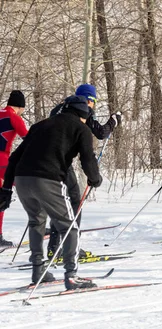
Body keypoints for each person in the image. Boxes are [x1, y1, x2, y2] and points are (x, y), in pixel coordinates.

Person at [0, 95, 102, 289]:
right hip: (48, 179)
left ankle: (38, 271)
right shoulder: (81, 129)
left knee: (36, 221)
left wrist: (6, 190)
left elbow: (14, 157)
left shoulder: (41, 125)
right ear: (83, 114)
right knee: (69, 226)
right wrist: (95, 179)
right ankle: (71, 275)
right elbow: (87, 159)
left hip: (22, 179)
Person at [46, 84, 121, 259]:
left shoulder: (60, 108)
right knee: (74, 203)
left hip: (48, 161)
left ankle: (54, 247)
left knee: (60, 203)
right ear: (89, 99)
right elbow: (101, 133)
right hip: (62, 164)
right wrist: (113, 122)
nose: (93, 105)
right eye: (94, 101)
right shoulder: (83, 110)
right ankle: (71, 249)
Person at [0, 90, 28, 247]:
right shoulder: (14, 118)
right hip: (3, 162)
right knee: (30, 184)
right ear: (20, 106)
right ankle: (41, 223)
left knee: (1, 198)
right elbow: (30, 140)